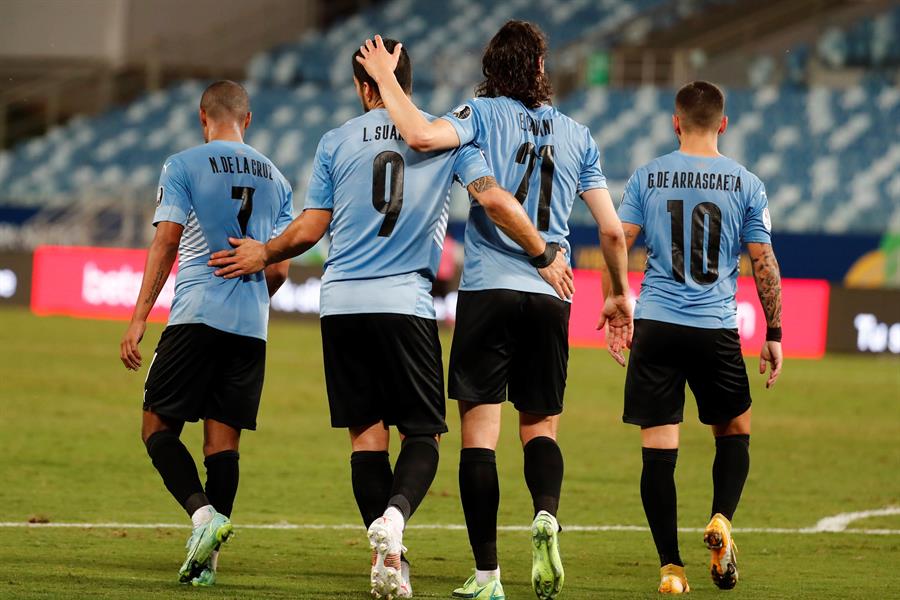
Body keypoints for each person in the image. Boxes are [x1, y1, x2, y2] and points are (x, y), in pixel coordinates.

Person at [207, 39, 572, 599]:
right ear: (409, 80)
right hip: (405, 304)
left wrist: (265, 252)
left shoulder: (335, 141)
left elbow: (309, 229)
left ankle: (389, 561)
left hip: (342, 305)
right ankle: (395, 519)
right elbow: (494, 198)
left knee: (366, 438)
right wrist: (543, 254)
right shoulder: (448, 138)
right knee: (423, 434)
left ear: (363, 86)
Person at [355, 24, 632, 600]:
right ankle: (546, 514)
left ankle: (487, 577)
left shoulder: (478, 116)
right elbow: (611, 229)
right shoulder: (578, 134)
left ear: (491, 68)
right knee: (541, 427)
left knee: (479, 437)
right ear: (539, 68)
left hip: (489, 291)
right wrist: (618, 294)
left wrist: (384, 77)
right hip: (552, 294)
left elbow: (421, 136)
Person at [119, 80, 293, 586]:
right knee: (223, 445)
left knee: (156, 427)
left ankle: (202, 518)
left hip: (196, 316)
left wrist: (139, 316)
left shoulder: (183, 165)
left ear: (202, 118)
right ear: (248, 119)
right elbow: (279, 268)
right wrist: (252, 296)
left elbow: (167, 241)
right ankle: (207, 566)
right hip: (251, 328)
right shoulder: (279, 179)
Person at [616, 80, 784, 594]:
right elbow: (763, 262)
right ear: (723, 124)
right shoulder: (747, 184)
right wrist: (774, 331)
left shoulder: (647, 177)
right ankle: (721, 519)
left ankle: (671, 569)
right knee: (734, 431)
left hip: (657, 325)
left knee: (657, 451)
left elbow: (617, 241)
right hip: (714, 328)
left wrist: (619, 304)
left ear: (676, 122)